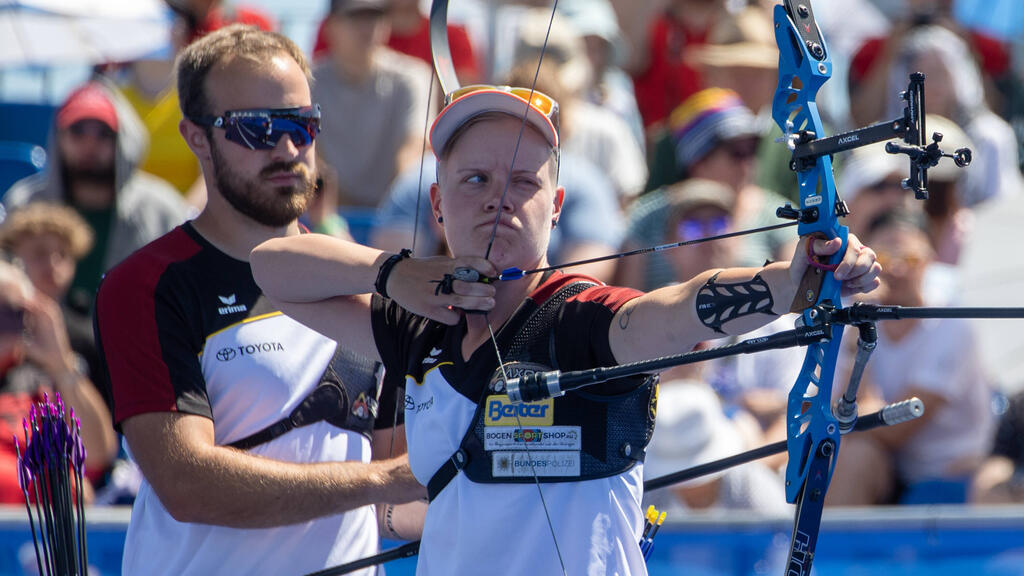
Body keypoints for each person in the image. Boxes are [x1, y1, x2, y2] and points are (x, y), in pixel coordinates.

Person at [249, 83, 881, 575]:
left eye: (524, 182)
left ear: (555, 206)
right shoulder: (419, 325)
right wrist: (397, 273)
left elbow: (676, 309)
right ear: (437, 204)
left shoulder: (584, 317)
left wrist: (790, 281)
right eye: (476, 180)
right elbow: (271, 267)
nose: (500, 198)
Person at [93, 25, 425, 576]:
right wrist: (385, 480)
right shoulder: (145, 284)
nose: (288, 148)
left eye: (302, 124)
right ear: (197, 137)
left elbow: (394, 501)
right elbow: (188, 485)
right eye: (258, 130)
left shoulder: (368, 280)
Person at [827, 211, 993, 506]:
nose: (899, 270)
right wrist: (858, 336)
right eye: (887, 259)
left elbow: (897, 426)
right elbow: (839, 414)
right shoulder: (852, 317)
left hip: (949, 476)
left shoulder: (951, 326)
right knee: (852, 455)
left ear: (929, 259)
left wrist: (858, 346)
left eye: (911, 260)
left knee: (856, 450)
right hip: (889, 467)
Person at [3, 79, 189, 316]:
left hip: (135, 344)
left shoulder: (162, 210)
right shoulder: (25, 204)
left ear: (124, 140)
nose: (90, 144)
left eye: (103, 133)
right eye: (78, 131)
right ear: (58, 137)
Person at [0, 260, 117, 503]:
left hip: (36, 534)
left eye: (10, 313)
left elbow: (96, 457)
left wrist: (61, 365)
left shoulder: (42, 388)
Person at [313, 0, 434, 208]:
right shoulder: (307, 80)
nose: (367, 27)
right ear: (330, 27)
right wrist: (329, 216)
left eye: (375, 16)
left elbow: (413, 150)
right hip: (324, 213)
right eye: (355, 17)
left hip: (394, 213)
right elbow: (310, 154)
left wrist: (393, 211)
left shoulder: (413, 77)